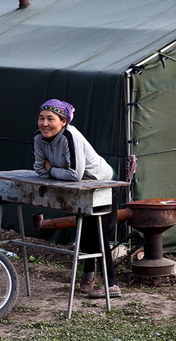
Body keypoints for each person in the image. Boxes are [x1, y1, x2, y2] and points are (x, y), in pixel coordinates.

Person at [33, 99, 121, 298]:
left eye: (50, 119)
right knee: (85, 232)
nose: (44, 123)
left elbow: (74, 174)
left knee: (99, 235)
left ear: (63, 121)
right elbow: (38, 169)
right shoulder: (39, 138)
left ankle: (112, 285)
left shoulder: (70, 137)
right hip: (80, 189)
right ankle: (89, 272)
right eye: (41, 118)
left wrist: (51, 169)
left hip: (103, 184)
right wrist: (50, 170)